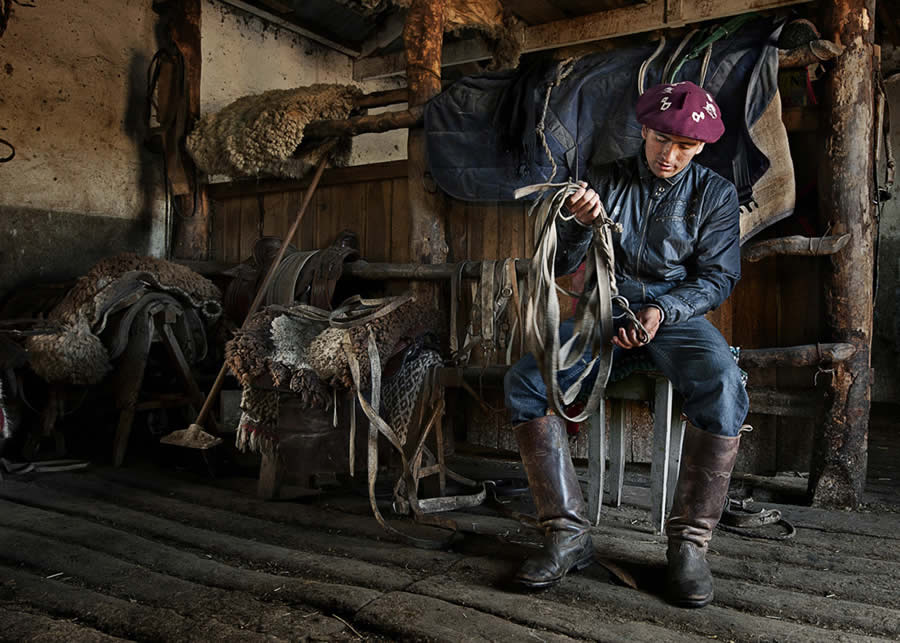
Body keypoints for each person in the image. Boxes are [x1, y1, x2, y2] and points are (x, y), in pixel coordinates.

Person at [504, 81, 749, 608]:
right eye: (662, 139)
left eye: (684, 146)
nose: (670, 154)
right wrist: (576, 220)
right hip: (602, 312)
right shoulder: (606, 180)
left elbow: (718, 277)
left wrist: (663, 310)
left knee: (725, 384)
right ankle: (567, 535)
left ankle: (689, 546)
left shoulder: (715, 195)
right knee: (525, 381)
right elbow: (568, 262)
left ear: (702, 147)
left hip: (674, 317)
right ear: (644, 128)